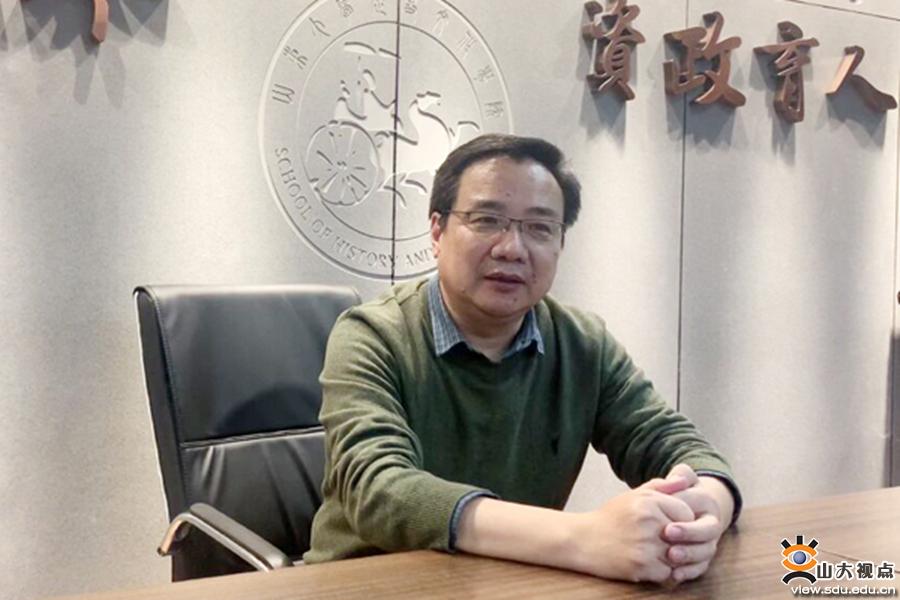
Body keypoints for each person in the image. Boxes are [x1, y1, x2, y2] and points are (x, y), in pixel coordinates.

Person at [303, 134, 740, 584]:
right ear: (437, 232)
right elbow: (379, 488)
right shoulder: (372, 335)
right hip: (366, 584)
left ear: (560, 244)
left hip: (512, 584)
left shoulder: (582, 343)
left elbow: (671, 442)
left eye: (539, 228)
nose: (512, 248)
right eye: (487, 220)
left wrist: (706, 508)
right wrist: (583, 537)